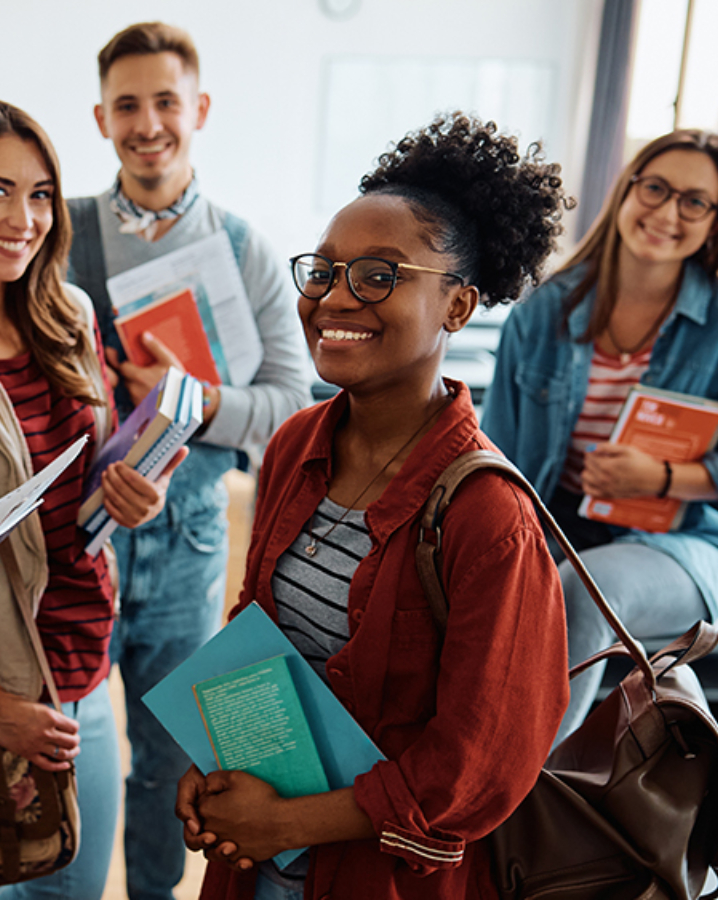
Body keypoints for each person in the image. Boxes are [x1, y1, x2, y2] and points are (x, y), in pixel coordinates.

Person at [180, 114, 572, 900]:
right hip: (257, 864)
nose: (335, 298)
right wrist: (215, 757)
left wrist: (288, 824)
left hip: (380, 878)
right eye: (323, 271)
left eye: (380, 275)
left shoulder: (487, 516)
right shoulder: (295, 445)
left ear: (457, 308)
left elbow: (480, 765)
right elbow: (260, 631)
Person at [0, 99, 181, 900]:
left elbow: (91, 484)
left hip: (82, 676)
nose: (25, 218)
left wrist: (135, 497)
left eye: (42, 194)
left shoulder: (68, 316)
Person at [62, 23, 312, 898]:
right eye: (127, 105)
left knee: (172, 767)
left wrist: (194, 399)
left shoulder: (245, 251)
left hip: (192, 543)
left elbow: (292, 405)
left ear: (198, 110)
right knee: (76, 749)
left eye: (165, 102)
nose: (147, 123)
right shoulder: (62, 236)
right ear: (101, 118)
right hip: (78, 541)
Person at [481, 129, 718, 739]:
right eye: (655, 188)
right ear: (626, 191)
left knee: (585, 592)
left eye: (694, 202)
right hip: (557, 532)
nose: (666, 213)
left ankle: (524, 794)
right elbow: (498, 451)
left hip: (684, 545)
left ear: (716, 223)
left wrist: (662, 478)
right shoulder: (543, 312)